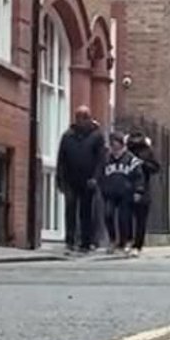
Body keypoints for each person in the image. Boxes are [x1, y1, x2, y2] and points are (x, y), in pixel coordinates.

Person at [56, 106, 105, 254]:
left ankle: (86, 242)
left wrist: (95, 178)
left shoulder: (96, 136)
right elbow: (61, 160)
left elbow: (100, 160)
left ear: (89, 118)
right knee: (70, 210)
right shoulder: (67, 136)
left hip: (88, 180)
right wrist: (60, 179)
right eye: (79, 117)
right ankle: (70, 241)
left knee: (86, 212)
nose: (81, 120)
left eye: (85, 117)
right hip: (70, 180)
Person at [99, 132, 144, 254]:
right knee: (108, 215)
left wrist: (138, 191)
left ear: (121, 144)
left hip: (126, 193)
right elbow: (101, 174)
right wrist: (103, 188)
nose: (114, 147)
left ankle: (126, 241)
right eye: (112, 144)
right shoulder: (106, 159)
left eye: (116, 143)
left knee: (124, 218)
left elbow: (139, 176)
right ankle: (113, 239)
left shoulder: (131, 160)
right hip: (110, 193)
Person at [126, 131, 160, 254]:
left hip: (141, 188)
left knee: (139, 218)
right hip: (129, 188)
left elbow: (155, 167)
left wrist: (143, 164)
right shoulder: (129, 152)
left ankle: (136, 244)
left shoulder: (146, 151)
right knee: (128, 217)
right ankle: (132, 242)